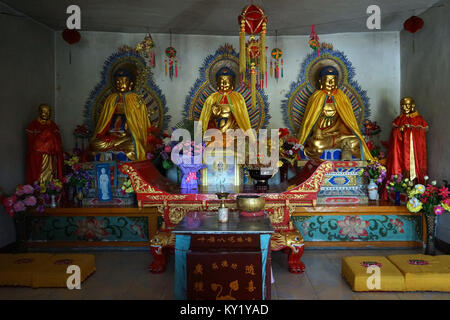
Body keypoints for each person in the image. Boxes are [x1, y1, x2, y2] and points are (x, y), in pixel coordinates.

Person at [297, 66, 373, 160]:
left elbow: (347, 120)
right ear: (321, 81)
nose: (330, 83)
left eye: (333, 80)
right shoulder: (316, 97)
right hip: (322, 137)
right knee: (317, 145)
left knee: (357, 141)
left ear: (337, 82)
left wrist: (345, 131)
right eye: (327, 80)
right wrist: (317, 129)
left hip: (339, 136)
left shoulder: (341, 97)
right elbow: (310, 121)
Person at [88, 69, 151, 161]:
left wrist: (130, 128)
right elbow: (104, 121)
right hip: (111, 137)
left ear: (131, 83)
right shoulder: (111, 99)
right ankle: (115, 148)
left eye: (124, 81)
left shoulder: (136, 99)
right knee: (95, 143)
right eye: (118, 81)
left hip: (127, 138)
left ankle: (117, 148)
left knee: (135, 145)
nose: (120, 84)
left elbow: (138, 124)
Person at [198, 67, 253, 136]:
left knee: (239, 138)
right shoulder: (212, 98)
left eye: (227, 81)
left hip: (232, 129)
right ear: (217, 83)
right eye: (221, 81)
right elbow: (205, 119)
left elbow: (241, 118)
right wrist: (214, 115)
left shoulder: (238, 98)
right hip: (216, 130)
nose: (224, 84)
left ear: (232, 83)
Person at [386, 96, 428, 183]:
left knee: (412, 166)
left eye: (407, 105)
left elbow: (421, 136)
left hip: (413, 148)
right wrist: (399, 130)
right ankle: (401, 183)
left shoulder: (418, 119)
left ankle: (414, 183)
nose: (404, 107)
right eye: (402, 105)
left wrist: (410, 130)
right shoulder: (399, 119)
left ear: (412, 105)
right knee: (400, 166)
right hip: (401, 149)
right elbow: (393, 136)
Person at [26, 104, 63, 184]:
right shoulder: (33, 125)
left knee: (51, 174)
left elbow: (58, 141)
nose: (46, 114)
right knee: (39, 175)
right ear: (39, 112)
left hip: (51, 155)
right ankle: (40, 188)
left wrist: (52, 142)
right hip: (39, 156)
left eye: (48, 112)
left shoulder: (53, 125)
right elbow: (31, 144)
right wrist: (44, 139)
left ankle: (51, 188)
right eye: (44, 112)